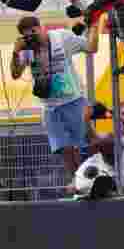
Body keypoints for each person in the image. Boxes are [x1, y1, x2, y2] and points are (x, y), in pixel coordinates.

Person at [10, 16, 101, 181]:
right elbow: (16, 74)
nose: (31, 37)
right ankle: (77, 183)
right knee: (64, 149)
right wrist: (16, 52)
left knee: (85, 144)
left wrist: (95, 26)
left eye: (33, 32)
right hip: (50, 106)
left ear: (41, 27)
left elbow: (91, 47)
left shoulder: (61, 37)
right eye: (26, 35)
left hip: (73, 100)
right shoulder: (27, 50)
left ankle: (95, 178)